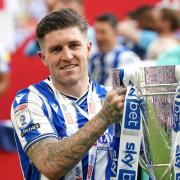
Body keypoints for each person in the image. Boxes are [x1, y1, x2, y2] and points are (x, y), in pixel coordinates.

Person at [11, 9, 126, 180]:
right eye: (56, 49)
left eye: (74, 45)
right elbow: (50, 164)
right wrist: (104, 118)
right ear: (43, 58)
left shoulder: (109, 98)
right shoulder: (29, 101)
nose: (67, 56)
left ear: (88, 49)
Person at [89, 13, 140, 87]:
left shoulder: (126, 57)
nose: (98, 37)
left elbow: (123, 91)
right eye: (97, 32)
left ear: (115, 32)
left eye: (103, 32)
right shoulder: (93, 58)